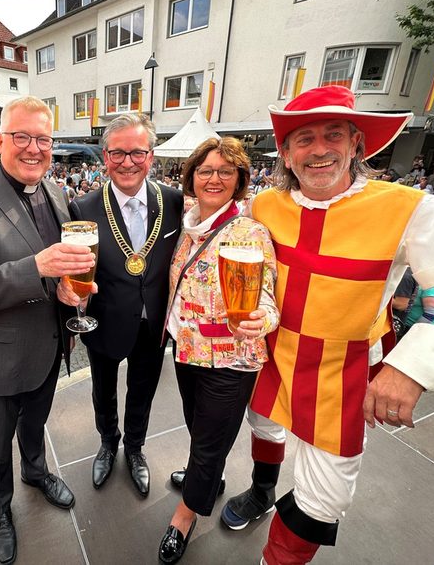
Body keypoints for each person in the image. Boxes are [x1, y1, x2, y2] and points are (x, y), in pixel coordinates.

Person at [219, 85, 434, 564]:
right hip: (270, 356)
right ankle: (263, 490)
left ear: (357, 145)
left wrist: (410, 368)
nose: (320, 149)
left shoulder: (411, 208)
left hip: (341, 373)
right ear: (286, 154)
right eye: (303, 139)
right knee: (265, 429)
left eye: (334, 134)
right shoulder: (264, 204)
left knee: (322, 502)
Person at [0, 96, 94, 565]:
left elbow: (65, 269)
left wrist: (73, 292)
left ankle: (35, 471)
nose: (34, 149)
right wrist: (37, 267)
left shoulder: (55, 193)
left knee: (36, 422)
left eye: (43, 139)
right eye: (23, 137)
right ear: (1, 141)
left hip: (50, 342)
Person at [155, 137, 278, 564]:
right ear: (191, 177)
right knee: (200, 428)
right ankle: (204, 477)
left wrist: (261, 319)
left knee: (209, 442)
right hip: (187, 350)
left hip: (231, 359)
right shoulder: (188, 225)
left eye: (226, 171)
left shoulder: (249, 231)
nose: (214, 178)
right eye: (205, 170)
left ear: (240, 179)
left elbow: (266, 297)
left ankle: (185, 515)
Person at [58, 114, 183, 497]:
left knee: (143, 390)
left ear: (151, 155)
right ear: (104, 156)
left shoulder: (175, 201)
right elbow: (72, 265)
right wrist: (70, 301)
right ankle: (108, 442)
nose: (127, 161)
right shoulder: (83, 206)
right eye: (117, 153)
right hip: (105, 319)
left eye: (137, 152)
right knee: (103, 389)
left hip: (153, 321)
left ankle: (135, 448)